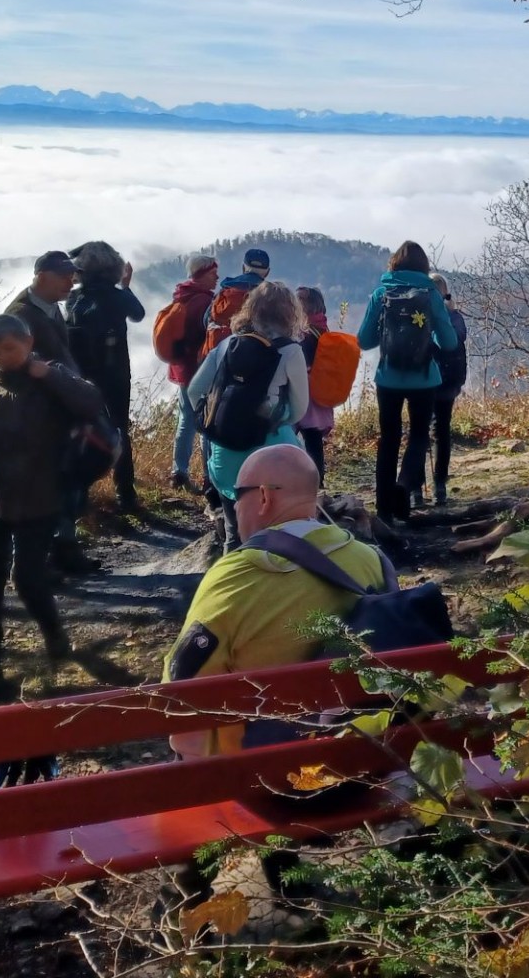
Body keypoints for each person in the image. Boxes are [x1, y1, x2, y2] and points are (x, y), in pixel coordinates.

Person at [162, 445, 386, 757]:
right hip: (367, 760)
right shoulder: (372, 561)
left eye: (237, 494)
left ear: (264, 497)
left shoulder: (234, 578)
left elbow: (183, 707)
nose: (234, 505)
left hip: (259, 779)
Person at [0, 313, 104, 706]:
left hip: (41, 497)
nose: (4, 356)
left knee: (28, 578)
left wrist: (48, 375)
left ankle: (55, 637)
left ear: (28, 342)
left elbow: (91, 402)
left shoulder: (50, 381)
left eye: (11, 348)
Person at [187, 281, 310, 551]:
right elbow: (299, 409)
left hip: (225, 456)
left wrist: (217, 420)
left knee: (235, 533)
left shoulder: (228, 345)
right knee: (278, 532)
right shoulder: (291, 351)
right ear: (290, 314)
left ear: (251, 308)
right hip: (272, 457)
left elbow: (195, 390)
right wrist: (274, 417)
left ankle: (231, 583)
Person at [358, 241, 458, 523]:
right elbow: (449, 341)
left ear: (394, 265)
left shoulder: (381, 294)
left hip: (388, 378)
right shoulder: (430, 293)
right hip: (424, 378)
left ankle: (383, 509)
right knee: (418, 436)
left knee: (388, 439)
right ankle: (403, 486)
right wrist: (432, 337)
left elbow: (364, 340)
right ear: (424, 266)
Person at [66, 240, 145, 513]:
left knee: (81, 429)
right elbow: (138, 314)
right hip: (116, 374)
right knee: (120, 428)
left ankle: (80, 493)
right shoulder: (117, 296)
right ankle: (125, 493)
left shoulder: (75, 298)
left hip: (81, 374)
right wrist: (125, 286)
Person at [162, 254, 220, 489]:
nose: (217, 277)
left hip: (181, 367)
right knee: (207, 418)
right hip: (200, 368)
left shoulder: (180, 296)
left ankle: (179, 472)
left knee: (186, 419)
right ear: (201, 274)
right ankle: (209, 476)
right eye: (212, 273)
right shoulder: (206, 301)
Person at [426, 272, 468, 506]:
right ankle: (435, 485)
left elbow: (454, 339)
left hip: (435, 380)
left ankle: (432, 486)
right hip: (441, 379)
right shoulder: (453, 316)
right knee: (437, 431)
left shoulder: (450, 316)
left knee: (432, 430)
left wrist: (444, 315)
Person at [6, 250, 78, 368]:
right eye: (64, 277)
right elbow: (13, 371)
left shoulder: (50, 303)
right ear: (42, 277)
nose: (71, 284)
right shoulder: (19, 316)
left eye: (71, 278)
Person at [295, 286, 336, 487]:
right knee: (313, 440)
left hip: (305, 391)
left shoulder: (304, 333)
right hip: (320, 393)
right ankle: (317, 481)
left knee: (292, 436)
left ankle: (307, 482)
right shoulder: (323, 328)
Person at [200, 247, 271, 360]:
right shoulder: (270, 296)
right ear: (267, 272)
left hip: (215, 358)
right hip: (251, 362)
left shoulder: (224, 292)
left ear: (243, 268)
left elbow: (205, 321)